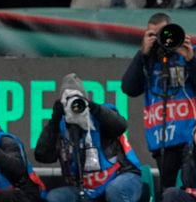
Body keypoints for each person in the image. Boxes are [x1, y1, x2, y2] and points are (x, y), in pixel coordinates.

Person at [121, 13, 196, 189]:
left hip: (191, 136)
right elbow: (129, 88)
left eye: (164, 33)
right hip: (162, 139)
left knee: (194, 188)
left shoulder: (189, 52)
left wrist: (190, 58)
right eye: (154, 35)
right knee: (168, 192)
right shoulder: (146, 60)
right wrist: (142, 53)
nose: (162, 40)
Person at [35, 73, 143, 202]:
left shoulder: (101, 114)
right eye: (68, 100)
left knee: (115, 191)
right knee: (55, 197)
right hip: (85, 188)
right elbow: (43, 156)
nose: (74, 105)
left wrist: (91, 106)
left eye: (77, 99)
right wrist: (55, 118)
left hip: (121, 176)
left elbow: (120, 125)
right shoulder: (60, 126)